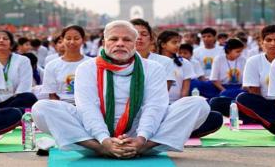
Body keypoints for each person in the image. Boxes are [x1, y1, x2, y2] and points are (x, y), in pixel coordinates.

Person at [31, 20, 212, 158]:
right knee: (41, 108)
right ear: (104, 42)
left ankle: (142, 149)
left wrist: (142, 139)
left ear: (135, 43)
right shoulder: (87, 68)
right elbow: (88, 108)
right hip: (93, 138)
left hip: (143, 135)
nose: (120, 43)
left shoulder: (153, 68)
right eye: (114, 39)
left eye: (126, 39)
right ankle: (101, 150)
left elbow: (155, 106)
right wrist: (104, 141)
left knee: (199, 104)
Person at [0, 30, 38, 113]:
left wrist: (14, 99)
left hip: (16, 100)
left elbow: (25, 86)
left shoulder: (22, 60)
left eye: (5, 38)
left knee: (29, 98)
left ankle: (4, 113)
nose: (1, 40)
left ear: (12, 44)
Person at [42, 25, 89, 103]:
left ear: (83, 40)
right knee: (40, 105)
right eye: (68, 38)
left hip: (87, 105)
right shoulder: (52, 65)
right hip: (63, 106)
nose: (72, 42)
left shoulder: (92, 63)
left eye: (76, 38)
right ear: (62, 40)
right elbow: (52, 95)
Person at [130, 18, 175, 89]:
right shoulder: (119, 62)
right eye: (134, 34)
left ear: (151, 39)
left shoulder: (165, 62)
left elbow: (162, 93)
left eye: (144, 34)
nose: (139, 37)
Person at [157, 30, 195, 103]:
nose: (178, 45)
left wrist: (181, 105)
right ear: (163, 44)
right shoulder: (153, 61)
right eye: (174, 42)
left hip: (177, 103)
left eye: (179, 42)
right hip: (157, 103)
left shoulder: (185, 63)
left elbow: (185, 91)